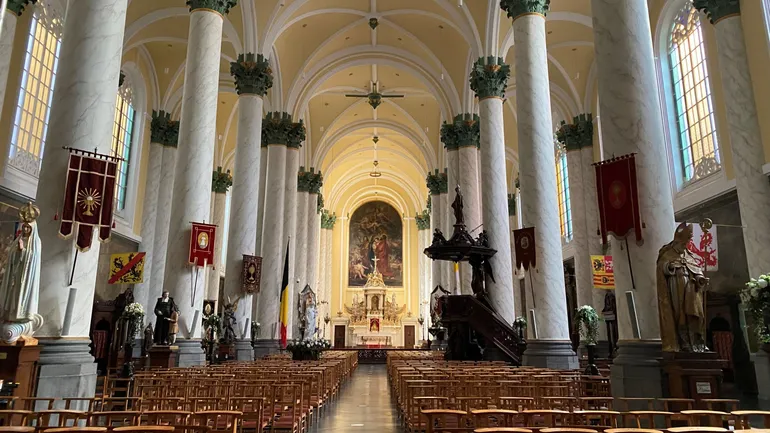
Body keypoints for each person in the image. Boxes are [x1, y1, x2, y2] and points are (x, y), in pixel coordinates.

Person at [657, 222, 709, 352]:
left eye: (687, 242)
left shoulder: (689, 254)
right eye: (684, 242)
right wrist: (669, 267)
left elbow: (696, 269)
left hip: (690, 288)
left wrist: (700, 278)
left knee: (695, 313)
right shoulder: (667, 253)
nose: (685, 245)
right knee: (679, 314)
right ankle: (683, 342)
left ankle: (697, 342)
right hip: (675, 286)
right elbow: (661, 268)